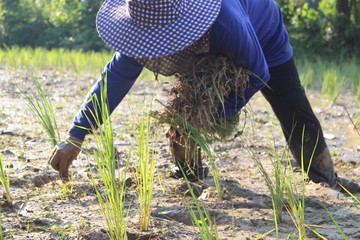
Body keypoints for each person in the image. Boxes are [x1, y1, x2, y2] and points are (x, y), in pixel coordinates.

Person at [48, 0, 360, 192]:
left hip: (262, 33)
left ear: (178, 28)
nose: (156, 47)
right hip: (199, 44)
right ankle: (189, 175)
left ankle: (323, 177)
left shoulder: (227, 21)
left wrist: (223, 111)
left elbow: (259, 71)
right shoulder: (146, 23)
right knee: (185, 107)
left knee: (291, 104)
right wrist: (77, 135)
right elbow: (113, 80)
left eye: (163, 41)